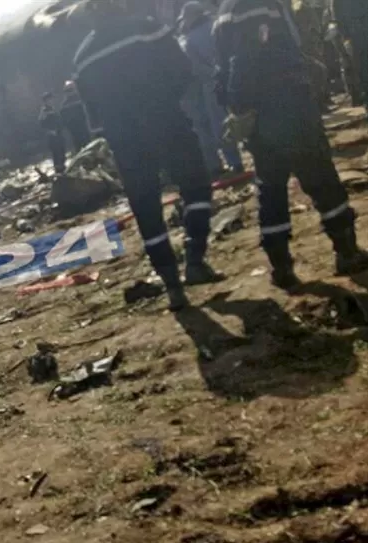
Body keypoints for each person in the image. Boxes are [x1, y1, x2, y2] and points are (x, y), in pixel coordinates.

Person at [74, 0, 223, 311]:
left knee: (146, 209)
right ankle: (195, 259)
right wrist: (166, 101)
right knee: (196, 186)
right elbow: (182, 71)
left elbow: (94, 119)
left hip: (126, 142)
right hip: (167, 123)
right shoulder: (147, 28)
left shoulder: (83, 57)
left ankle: (172, 286)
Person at [214, 0, 368, 287]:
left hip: (263, 117)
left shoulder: (226, 12)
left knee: (270, 188)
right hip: (286, 108)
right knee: (321, 178)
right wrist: (241, 104)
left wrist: (239, 109)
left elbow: (228, 65)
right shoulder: (254, 6)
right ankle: (346, 251)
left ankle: (281, 267)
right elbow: (246, 58)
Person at [177, 2, 245, 174]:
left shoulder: (188, 40)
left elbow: (195, 67)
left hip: (211, 85)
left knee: (219, 125)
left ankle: (230, 163)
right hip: (236, 76)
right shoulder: (217, 26)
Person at [331, 0, 368, 108]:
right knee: (361, 69)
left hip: (358, 33)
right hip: (355, 36)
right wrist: (345, 38)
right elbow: (338, 20)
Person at [38, 92, 67, 173]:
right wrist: (50, 131)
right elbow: (41, 124)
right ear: (45, 101)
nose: (51, 101)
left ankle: (63, 168)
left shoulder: (54, 109)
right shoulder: (44, 111)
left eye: (51, 99)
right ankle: (59, 170)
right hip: (52, 136)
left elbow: (59, 120)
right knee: (56, 153)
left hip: (59, 134)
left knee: (62, 152)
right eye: (49, 99)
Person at [60, 81, 92, 153]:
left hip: (75, 132)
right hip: (83, 129)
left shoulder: (64, 104)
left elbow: (63, 120)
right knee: (88, 148)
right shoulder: (80, 99)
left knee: (80, 150)